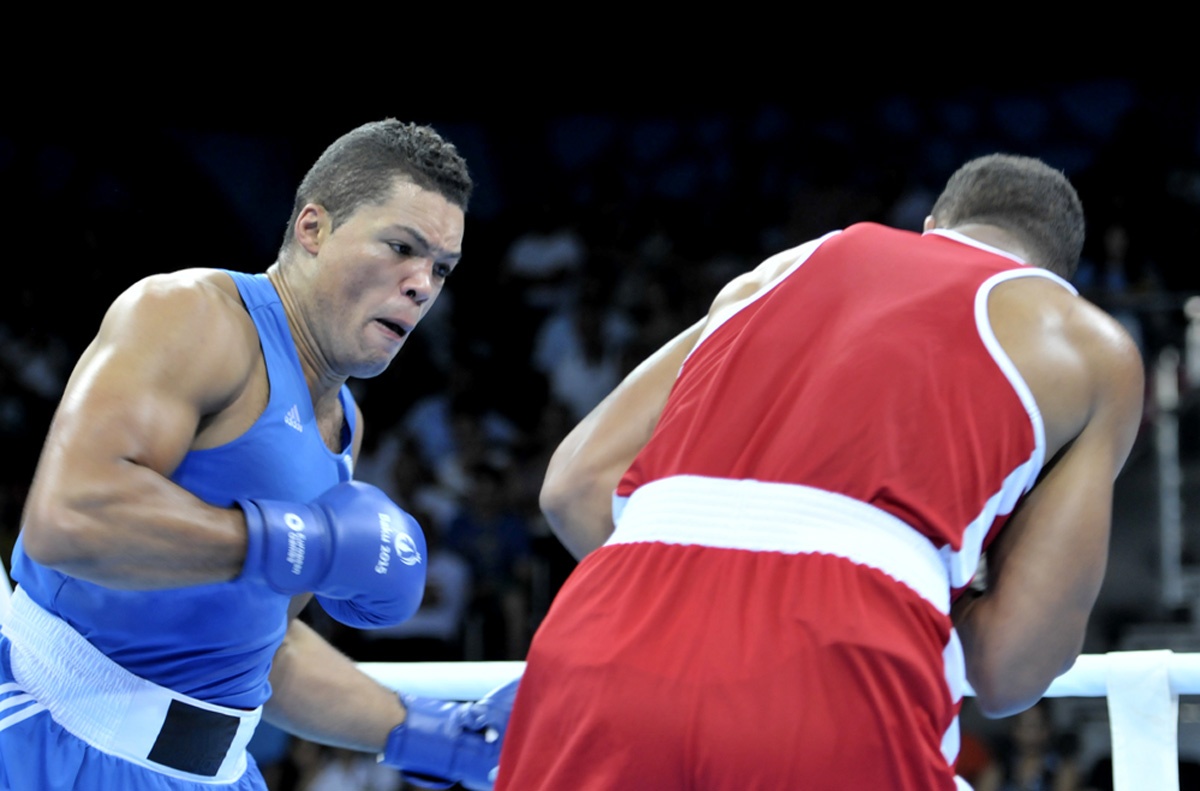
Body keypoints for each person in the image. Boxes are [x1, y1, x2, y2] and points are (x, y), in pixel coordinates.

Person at [498, 155, 1145, 791]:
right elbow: (1013, 667)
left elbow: (573, 488)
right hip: (841, 649)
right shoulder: (1084, 341)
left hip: (605, 640)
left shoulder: (778, 271)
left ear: (930, 226)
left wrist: (701, 592)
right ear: (1062, 279)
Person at [0, 119, 516, 791]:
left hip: (216, 772)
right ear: (313, 228)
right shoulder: (195, 316)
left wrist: (436, 735)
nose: (421, 284)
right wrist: (299, 542)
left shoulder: (343, 428)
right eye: (400, 246)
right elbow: (69, 519)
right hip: (59, 738)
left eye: (441, 267)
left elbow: (264, 645)